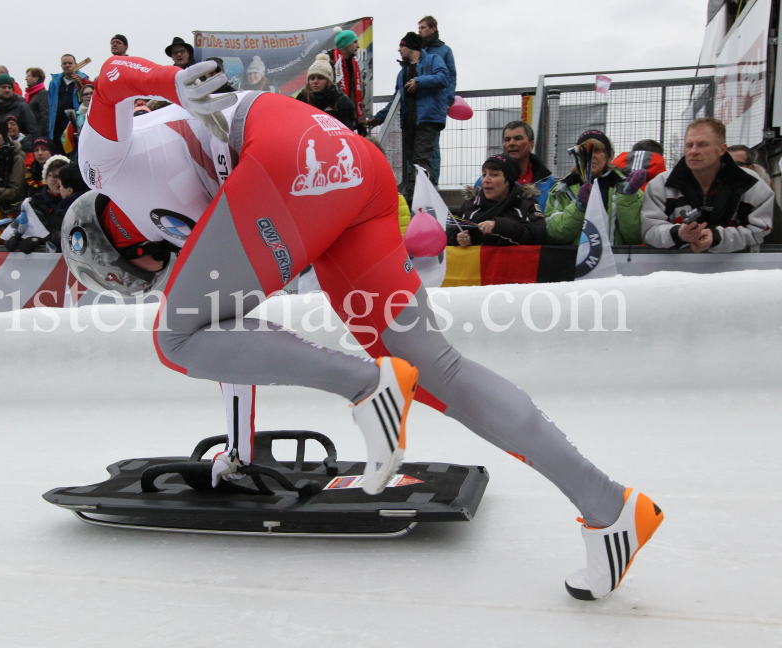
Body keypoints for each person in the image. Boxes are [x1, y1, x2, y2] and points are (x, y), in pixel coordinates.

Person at [73, 56, 664, 601]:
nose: (151, 274)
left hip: (284, 153)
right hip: (351, 168)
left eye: (129, 274)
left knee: (172, 337)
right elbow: (240, 345)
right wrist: (237, 447)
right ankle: (608, 506)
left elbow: (113, 78)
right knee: (439, 372)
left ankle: (366, 385)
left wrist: (165, 83)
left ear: (107, 245)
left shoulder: (101, 167)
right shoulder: (187, 223)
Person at [642, 118, 774, 253]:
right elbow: (649, 231)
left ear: (722, 149)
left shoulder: (752, 183)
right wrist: (678, 234)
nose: (693, 151)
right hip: (676, 271)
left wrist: (716, 237)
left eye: (702, 144)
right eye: (689, 145)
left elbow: (760, 230)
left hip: (738, 270)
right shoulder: (660, 184)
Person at [368, 32, 450, 202]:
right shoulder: (402, 72)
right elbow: (396, 99)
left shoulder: (433, 60)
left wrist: (419, 82)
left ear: (411, 46)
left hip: (427, 119)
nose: (399, 50)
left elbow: (444, 77)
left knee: (421, 161)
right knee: (410, 162)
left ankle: (418, 200)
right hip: (409, 120)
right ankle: (414, 196)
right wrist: (378, 118)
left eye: (402, 45)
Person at [545, 130, 645, 246]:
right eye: (584, 150)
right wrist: (578, 208)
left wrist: (628, 199)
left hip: (614, 261)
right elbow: (554, 234)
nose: (590, 155)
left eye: (596, 150)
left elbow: (635, 237)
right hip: (574, 261)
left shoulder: (626, 187)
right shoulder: (562, 189)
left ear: (610, 155)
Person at [448, 154, 546, 247]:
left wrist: (500, 226)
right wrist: (458, 239)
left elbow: (540, 236)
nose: (486, 180)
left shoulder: (527, 204)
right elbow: (448, 234)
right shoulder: (470, 205)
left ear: (508, 181)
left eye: (494, 175)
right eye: (484, 174)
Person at [475, 120, 554, 212]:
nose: (511, 143)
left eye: (518, 138)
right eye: (507, 140)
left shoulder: (547, 181)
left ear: (531, 145)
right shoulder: (485, 181)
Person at [3, 156, 74, 253]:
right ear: (46, 178)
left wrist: (41, 240)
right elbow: (18, 227)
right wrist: (15, 237)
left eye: (62, 177)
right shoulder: (33, 203)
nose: (58, 182)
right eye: (54, 177)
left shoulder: (75, 204)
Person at [417, 15, 457, 185]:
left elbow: (451, 76)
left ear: (433, 29)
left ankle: (433, 183)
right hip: (419, 105)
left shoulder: (444, 50)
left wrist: (448, 100)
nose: (420, 31)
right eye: (419, 28)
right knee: (420, 148)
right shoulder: (417, 50)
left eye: (423, 28)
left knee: (433, 146)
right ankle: (420, 183)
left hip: (435, 105)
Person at [295, 54, 356, 131]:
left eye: (320, 78)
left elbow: (348, 132)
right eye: (312, 78)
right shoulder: (302, 99)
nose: (315, 82)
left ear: (328, 81)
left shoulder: (342, 101)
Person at [329, 28, 367, 135]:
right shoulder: (330, 64)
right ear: (345, 45)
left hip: (351, 121)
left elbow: (359, 98)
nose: (358, 46)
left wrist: (361, 123)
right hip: (334, 120)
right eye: (355, 42)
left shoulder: (354, 66)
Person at [48, 55, 90, 150]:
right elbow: (50, 103)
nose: (67, 65)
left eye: (70, 63)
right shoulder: (54, 83)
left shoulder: (83, 80)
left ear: (76, 64)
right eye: (64, 63)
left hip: (75, 124)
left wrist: (81, 83)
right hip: (57, 125)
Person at [25, 68, 50, 138]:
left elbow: (45, 115)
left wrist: (41, 134)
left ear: (36, 78)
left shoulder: (42, 93)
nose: (26, 78)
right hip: (30, 132)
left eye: (28, 76)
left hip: (38, 134)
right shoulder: (29, 95)